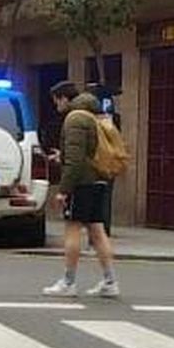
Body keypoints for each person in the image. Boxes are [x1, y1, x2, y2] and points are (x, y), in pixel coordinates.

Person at [42, 82, 119, 298]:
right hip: (100, 179)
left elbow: (76, 161)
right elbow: (86, 151)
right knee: (97, 230)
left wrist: (63, 190)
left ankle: (68, 282)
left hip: (82, 183)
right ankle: (110, 281)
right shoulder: (95, 115)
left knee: (73, 228)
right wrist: (63, 156)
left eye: (56, 100)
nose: (56, 105)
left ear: (64, 98)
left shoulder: (75, 118)